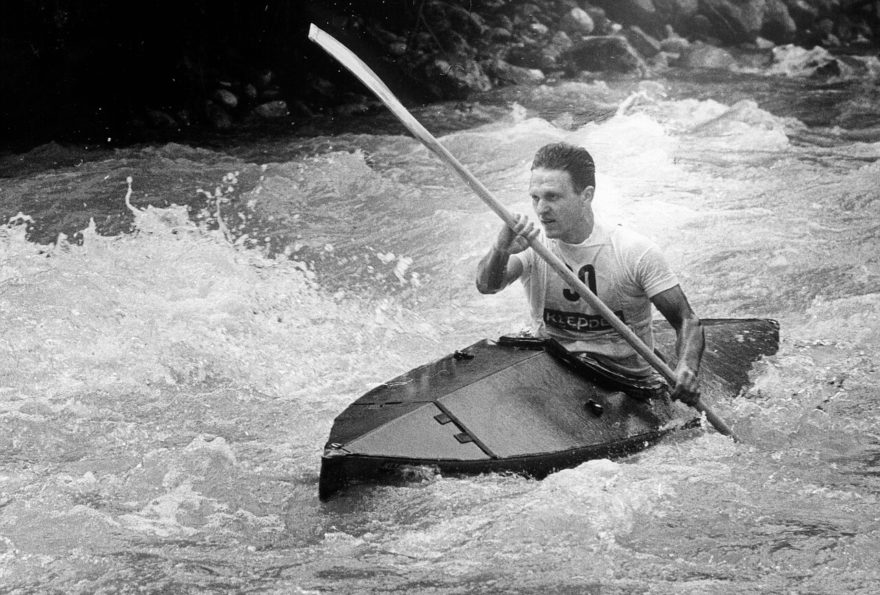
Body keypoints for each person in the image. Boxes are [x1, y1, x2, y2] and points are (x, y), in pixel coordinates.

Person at [475, 142, 703, 404]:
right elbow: (487, 286)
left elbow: (687, 320)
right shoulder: (532, 245)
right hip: (556, 367)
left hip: (624, 380)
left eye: (553, 197)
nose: (540, 209)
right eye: (535, 198)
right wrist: (500, 249)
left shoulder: (633, 251)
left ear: (586, 195)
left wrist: (687, 367)